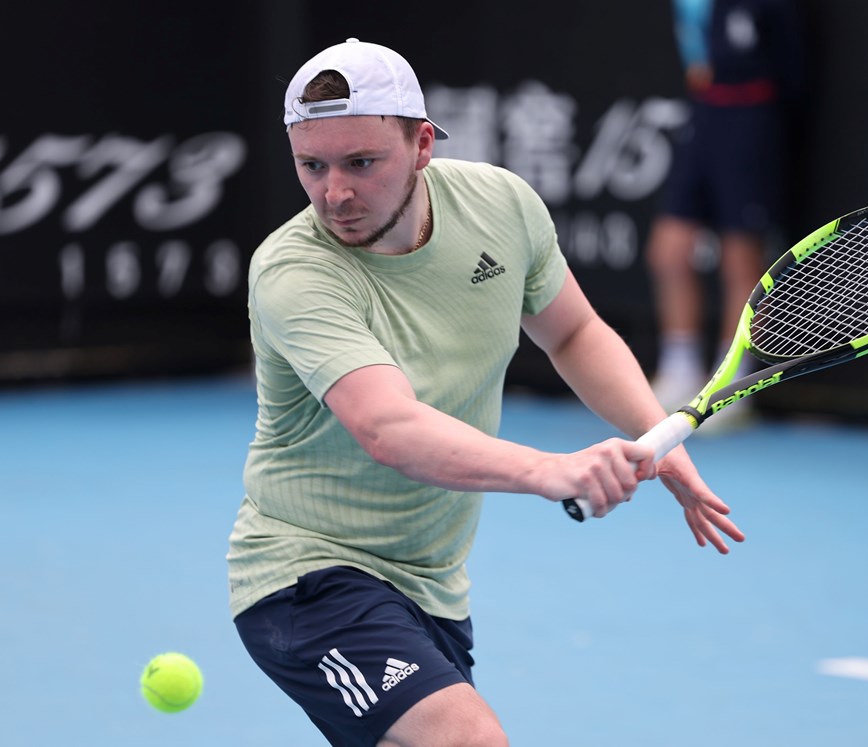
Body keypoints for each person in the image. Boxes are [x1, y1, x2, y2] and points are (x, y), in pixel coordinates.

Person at [227, 38, 744, 747]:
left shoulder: (500, 205)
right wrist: (549, 469)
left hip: (433, 585)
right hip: (308, 575)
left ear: (422, 145)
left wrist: (658, 430)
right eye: (311, 166)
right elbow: (388, 428)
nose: (334, 193)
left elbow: (573, 333)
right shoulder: (294, 272)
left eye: (361, 162)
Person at [647, 0, 804, 419]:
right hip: (704, 113)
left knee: (741, 258)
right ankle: (678, 371)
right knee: (669, 250)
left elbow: (795, 70)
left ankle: (732, 384)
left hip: (752, 118)